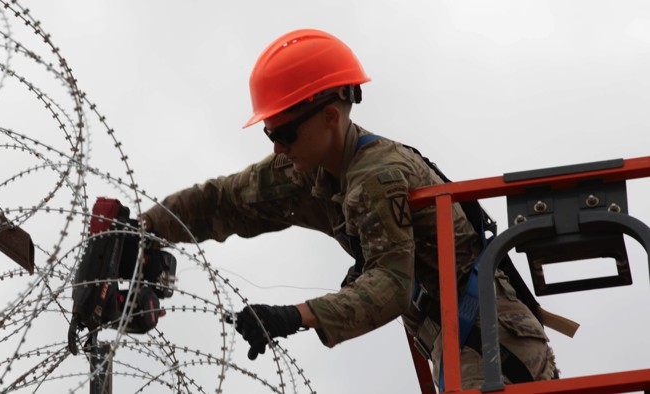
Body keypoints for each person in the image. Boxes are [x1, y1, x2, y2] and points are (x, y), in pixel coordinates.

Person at [140, 28, 557, 389]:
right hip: (454, 340)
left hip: (491, 341)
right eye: (269, 132)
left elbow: (391, 283)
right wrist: (141, 228)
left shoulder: (378, 175)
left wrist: (295, 316)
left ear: (327, 118)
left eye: (284, 132)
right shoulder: (310, 168)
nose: (276, 147)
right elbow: (227, 199)